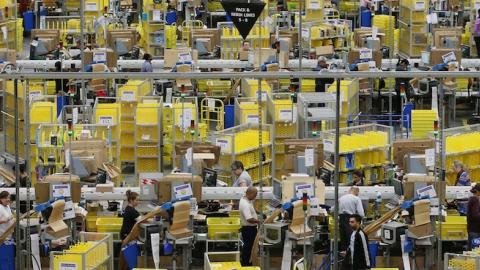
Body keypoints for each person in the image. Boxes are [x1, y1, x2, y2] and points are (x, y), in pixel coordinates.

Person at [338, 186, 365, 252]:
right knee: (351, 238)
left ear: (349, 190)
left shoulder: (341, 198)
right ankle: (351, 256)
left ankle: (344, 255)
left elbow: (333, 209)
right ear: (357, 192)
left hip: (341, 218)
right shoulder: (356, 198)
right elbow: (361, 214)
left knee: (343, 238)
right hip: (351, 219)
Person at [239, 187, 259, 266]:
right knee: (249, 248)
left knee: (249, 247)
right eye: (255, 195)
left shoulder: (245, 199)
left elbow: (252, 208)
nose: (255, 197)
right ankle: (246, 264)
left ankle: (247, 262)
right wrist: (260, 221)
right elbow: (249, 219)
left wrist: (259, 212)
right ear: (249, 194)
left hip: (248, 229)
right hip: (249, 229)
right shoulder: (245, 204)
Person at [467, 183, 480, 250]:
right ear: (478, 191)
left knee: (471, 250)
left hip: (472, 229)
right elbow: (475, 215)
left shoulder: (472, 199)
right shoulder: (475, 200)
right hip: (475, 230)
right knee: (475, 251)